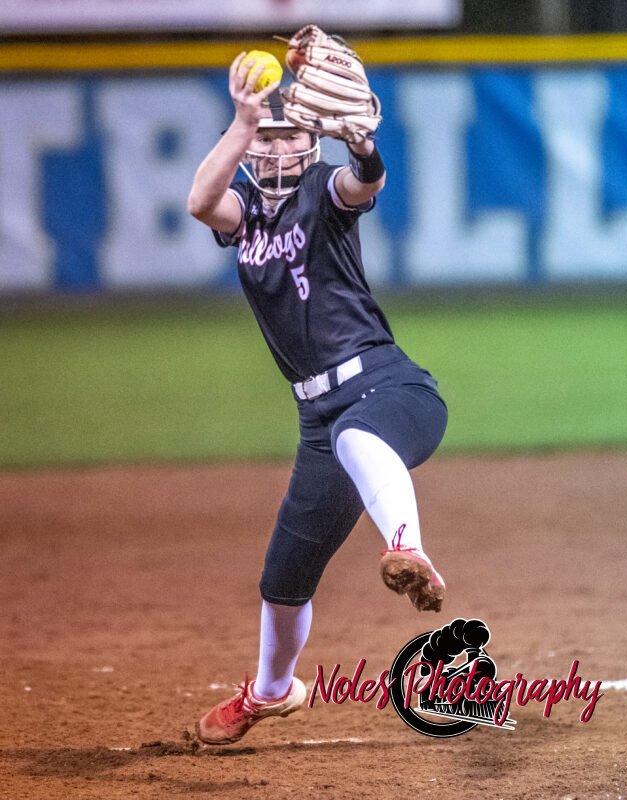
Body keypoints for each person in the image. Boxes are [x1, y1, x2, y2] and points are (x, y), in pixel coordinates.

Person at [187, 49, 448, 745]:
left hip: (390, 388)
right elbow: (198, 203)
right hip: (318, 417)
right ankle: (273, 692)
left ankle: (408, 549)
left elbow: (365, 182)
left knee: (359, 438)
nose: (277, 147)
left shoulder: (324, 190)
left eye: (290, 135)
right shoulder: (241, 213)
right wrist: (243, 122)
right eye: (266, 137)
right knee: (283, 580)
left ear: (312, 141)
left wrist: (360, 143)